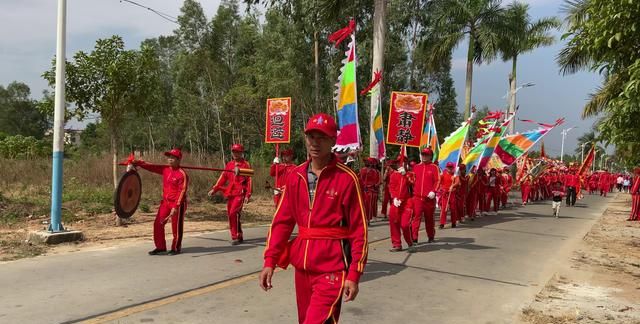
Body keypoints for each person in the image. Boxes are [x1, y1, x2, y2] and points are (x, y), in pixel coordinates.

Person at [260, 113, 368, 324]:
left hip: (332, 267)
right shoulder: (295, 176)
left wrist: (354, 273)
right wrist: (269, 260)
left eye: (322, 138)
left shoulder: (347, 179)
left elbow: (359, 231)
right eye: (311, 137)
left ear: (333, 141)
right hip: (302, 268)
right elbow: (282, 222)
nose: (315, 143)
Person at [127, 148, 189, 256]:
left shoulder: (182, 174)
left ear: (179, 160)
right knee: (158, 224)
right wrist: (139, 163)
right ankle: (160, 247)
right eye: (169, 157)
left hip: (177, 204)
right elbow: (152, 167)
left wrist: (176, 206)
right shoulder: (165, 169)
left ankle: (175, 248)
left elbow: (182, 191)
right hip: (165, 202)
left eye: (172, 158)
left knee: (176, 227)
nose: (169, 159)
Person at [209, 144, 252, 245]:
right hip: (231, 193)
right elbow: (223, 177)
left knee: (234, 213)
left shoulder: (246, 164)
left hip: (240, 193)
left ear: (242, 153)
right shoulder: (229, 164)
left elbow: (250, 179)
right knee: (231, 215)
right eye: (234, 152)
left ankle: (236, 236)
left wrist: (248, 195)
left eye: (238, 152)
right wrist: (214, 189)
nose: (235, 154)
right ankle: (237, 235)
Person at [410, 148, 440, 243]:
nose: (424, 156)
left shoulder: (434, 167)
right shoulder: (416, 167)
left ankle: (431, 236)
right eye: (423, 154)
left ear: (430, 156)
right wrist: (404, 174)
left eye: (426, 154)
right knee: (416, 218)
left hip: (429, 198)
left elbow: (438, 180)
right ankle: (414, 238)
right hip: (417, 197)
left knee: (429, 218)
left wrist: (434, 191)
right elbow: (412, 180)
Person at [387, 157, 414, 251]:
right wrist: (394, 198)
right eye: (398, 163)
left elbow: (413, 182)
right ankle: (397, 244)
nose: (400, 164)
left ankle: (410, 243)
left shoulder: (410, 174)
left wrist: (405, 174)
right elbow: (391, 187)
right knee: (394, 222)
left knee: (405, 225)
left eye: (402, 163)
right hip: (396, 202)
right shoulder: (393, 175)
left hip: (407, 202)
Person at [359, 157, 381, 222]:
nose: (367, 163)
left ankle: (368, 219)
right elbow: (360, 179)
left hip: (371, 191)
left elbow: (378, 181)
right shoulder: (362, 170)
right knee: (362, 204)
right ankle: (362, 218)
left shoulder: (375, 172)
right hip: (363, 190)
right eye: (366, 162)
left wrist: (374, 185)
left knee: (369, 205)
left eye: (368, 162)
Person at [439, 162, 459, 228]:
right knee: (444, 209)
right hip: (445, 194)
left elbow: (458, 182)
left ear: (453, 168)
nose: (450, 168)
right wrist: (442, 188)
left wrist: (453, 185)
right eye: (448, 167)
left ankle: (453, 222)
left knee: (453, 209)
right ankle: (442, 223)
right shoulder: (443, 175)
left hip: (452, 193)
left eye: (451, 167)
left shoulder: (455, 175)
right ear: (446, 168)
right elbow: (439, 182)